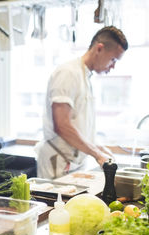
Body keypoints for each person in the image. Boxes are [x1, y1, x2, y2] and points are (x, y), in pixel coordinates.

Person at [35, 26, 128, 179]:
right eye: (113, 59)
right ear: (99, 49)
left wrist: (99, 147)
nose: (113, 66)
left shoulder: (85, 76)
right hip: (58, 164)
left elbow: (79, 124)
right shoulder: (68, 73)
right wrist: (97, 154)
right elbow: (62, 125)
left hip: (74, 163)